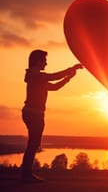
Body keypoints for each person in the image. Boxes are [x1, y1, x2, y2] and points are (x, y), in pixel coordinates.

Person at [21, 49, 83, 182]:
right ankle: (26, 175)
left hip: (31, 112)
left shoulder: (36, 77)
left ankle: (25, 174)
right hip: (34, 113)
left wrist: (69, 77)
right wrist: (71, 69)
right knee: (33, 144)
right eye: (45, 61)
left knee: (33, 144)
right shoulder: (37, 76)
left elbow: (55, 87)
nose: (46, 64)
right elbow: (54, 76)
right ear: (38, 61)